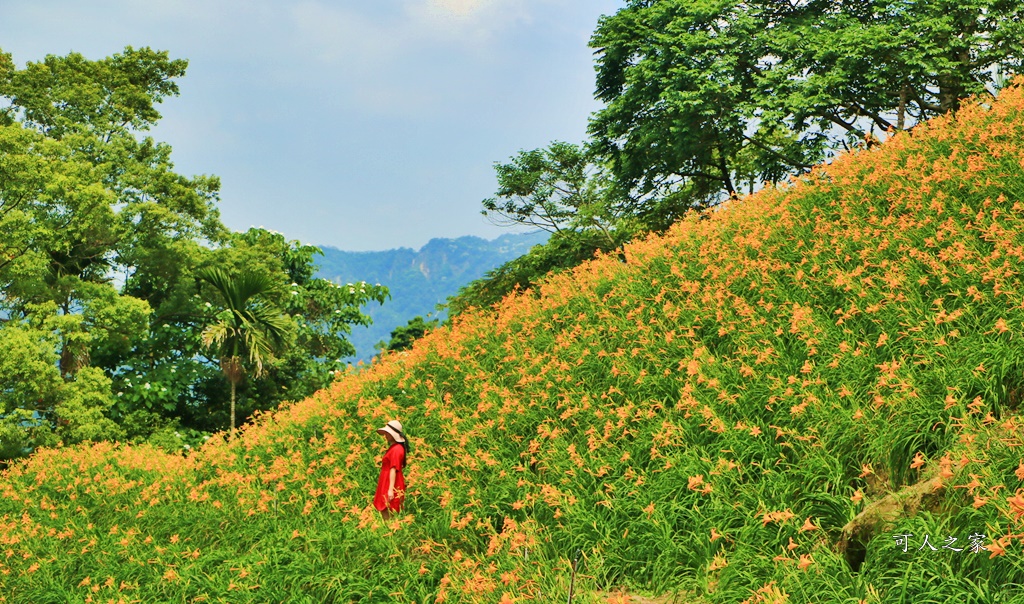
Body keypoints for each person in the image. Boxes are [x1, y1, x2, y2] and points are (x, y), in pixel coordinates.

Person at [373, 419, 408, 520]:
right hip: (387, 480)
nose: (386, 435)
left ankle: (390, 532)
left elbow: (394, 469)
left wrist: (390, 490)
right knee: (385, 510)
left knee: (389, 509)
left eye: (388, 433)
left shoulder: (397, 449)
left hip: (391, 482)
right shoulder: (395, 447)